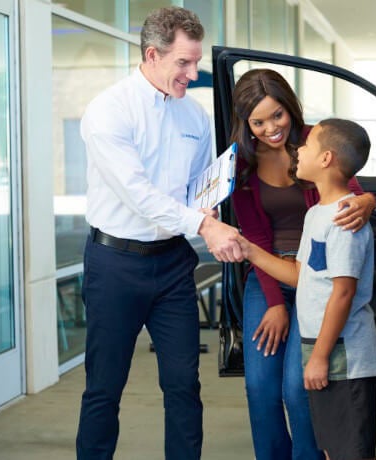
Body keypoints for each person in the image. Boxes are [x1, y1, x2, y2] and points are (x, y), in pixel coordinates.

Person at [75, 7, 242, 460]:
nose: (193, 72)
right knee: (104, 388)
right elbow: (138, 194)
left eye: (196, 61)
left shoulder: (195, 115)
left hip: (171, 264)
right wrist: (206, 225)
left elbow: (201, 186)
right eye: (184, 63)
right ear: (152, 54)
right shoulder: (109, 111)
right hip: (115, 265)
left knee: (184, 384)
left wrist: (209, 206)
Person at [230, 69, 376, 460]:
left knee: (299, 387)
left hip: (320, 277)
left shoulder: (316, 142)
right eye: (257, 121)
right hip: (269, 276)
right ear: (246, 123)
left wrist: (368, 202)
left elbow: (351, 190)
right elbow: (256, 239)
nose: (270, 128)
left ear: (289, 108)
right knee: (260, 388)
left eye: (276, 115)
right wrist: (276, 304)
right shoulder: (241, 165)